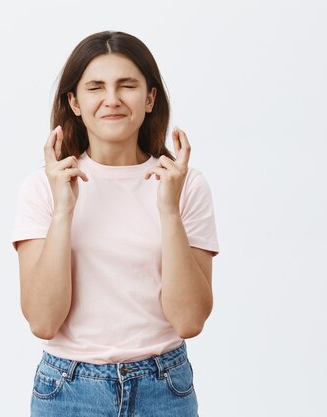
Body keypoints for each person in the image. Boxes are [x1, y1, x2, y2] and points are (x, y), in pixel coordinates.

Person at [11, 30, 219, 417]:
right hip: (68, 390)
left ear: (150, 98)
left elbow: (189, 320)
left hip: (164, 388)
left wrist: (169, 211)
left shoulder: (185, 184)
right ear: (74, 101)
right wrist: (63, 211)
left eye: (127, 85)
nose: (112, 99)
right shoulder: (42, 187)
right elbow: (43, 321)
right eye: (95, 87)